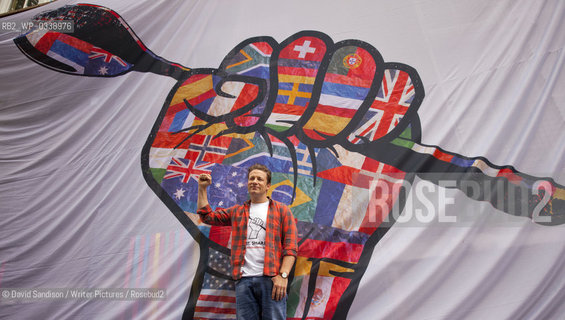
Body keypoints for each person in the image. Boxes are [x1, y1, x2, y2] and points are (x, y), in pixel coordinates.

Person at [197, 163, 298, 320]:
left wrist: (283, 276)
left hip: (271, 280)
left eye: (260, 179)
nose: (255, 181)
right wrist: (202, 188)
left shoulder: (282, 210)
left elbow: (291, 247)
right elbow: (207, 216)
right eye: (252, 178)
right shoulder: (237, 211)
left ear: (268, 186)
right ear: (247, 183)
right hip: (244, 280)